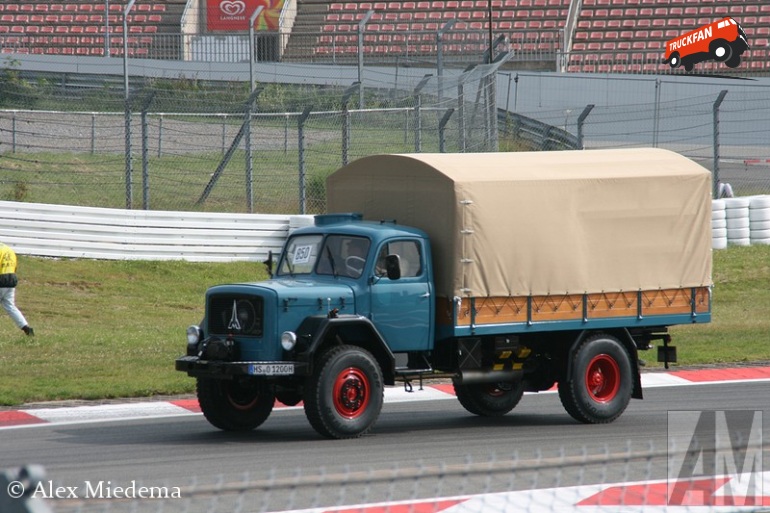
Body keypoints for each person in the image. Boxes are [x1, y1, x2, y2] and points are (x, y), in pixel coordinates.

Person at [0, 242, 34, 336]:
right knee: (10, 306)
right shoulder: (8, 249)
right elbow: (14, 266)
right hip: (11, 279)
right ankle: (26, 328)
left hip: (1, 278)